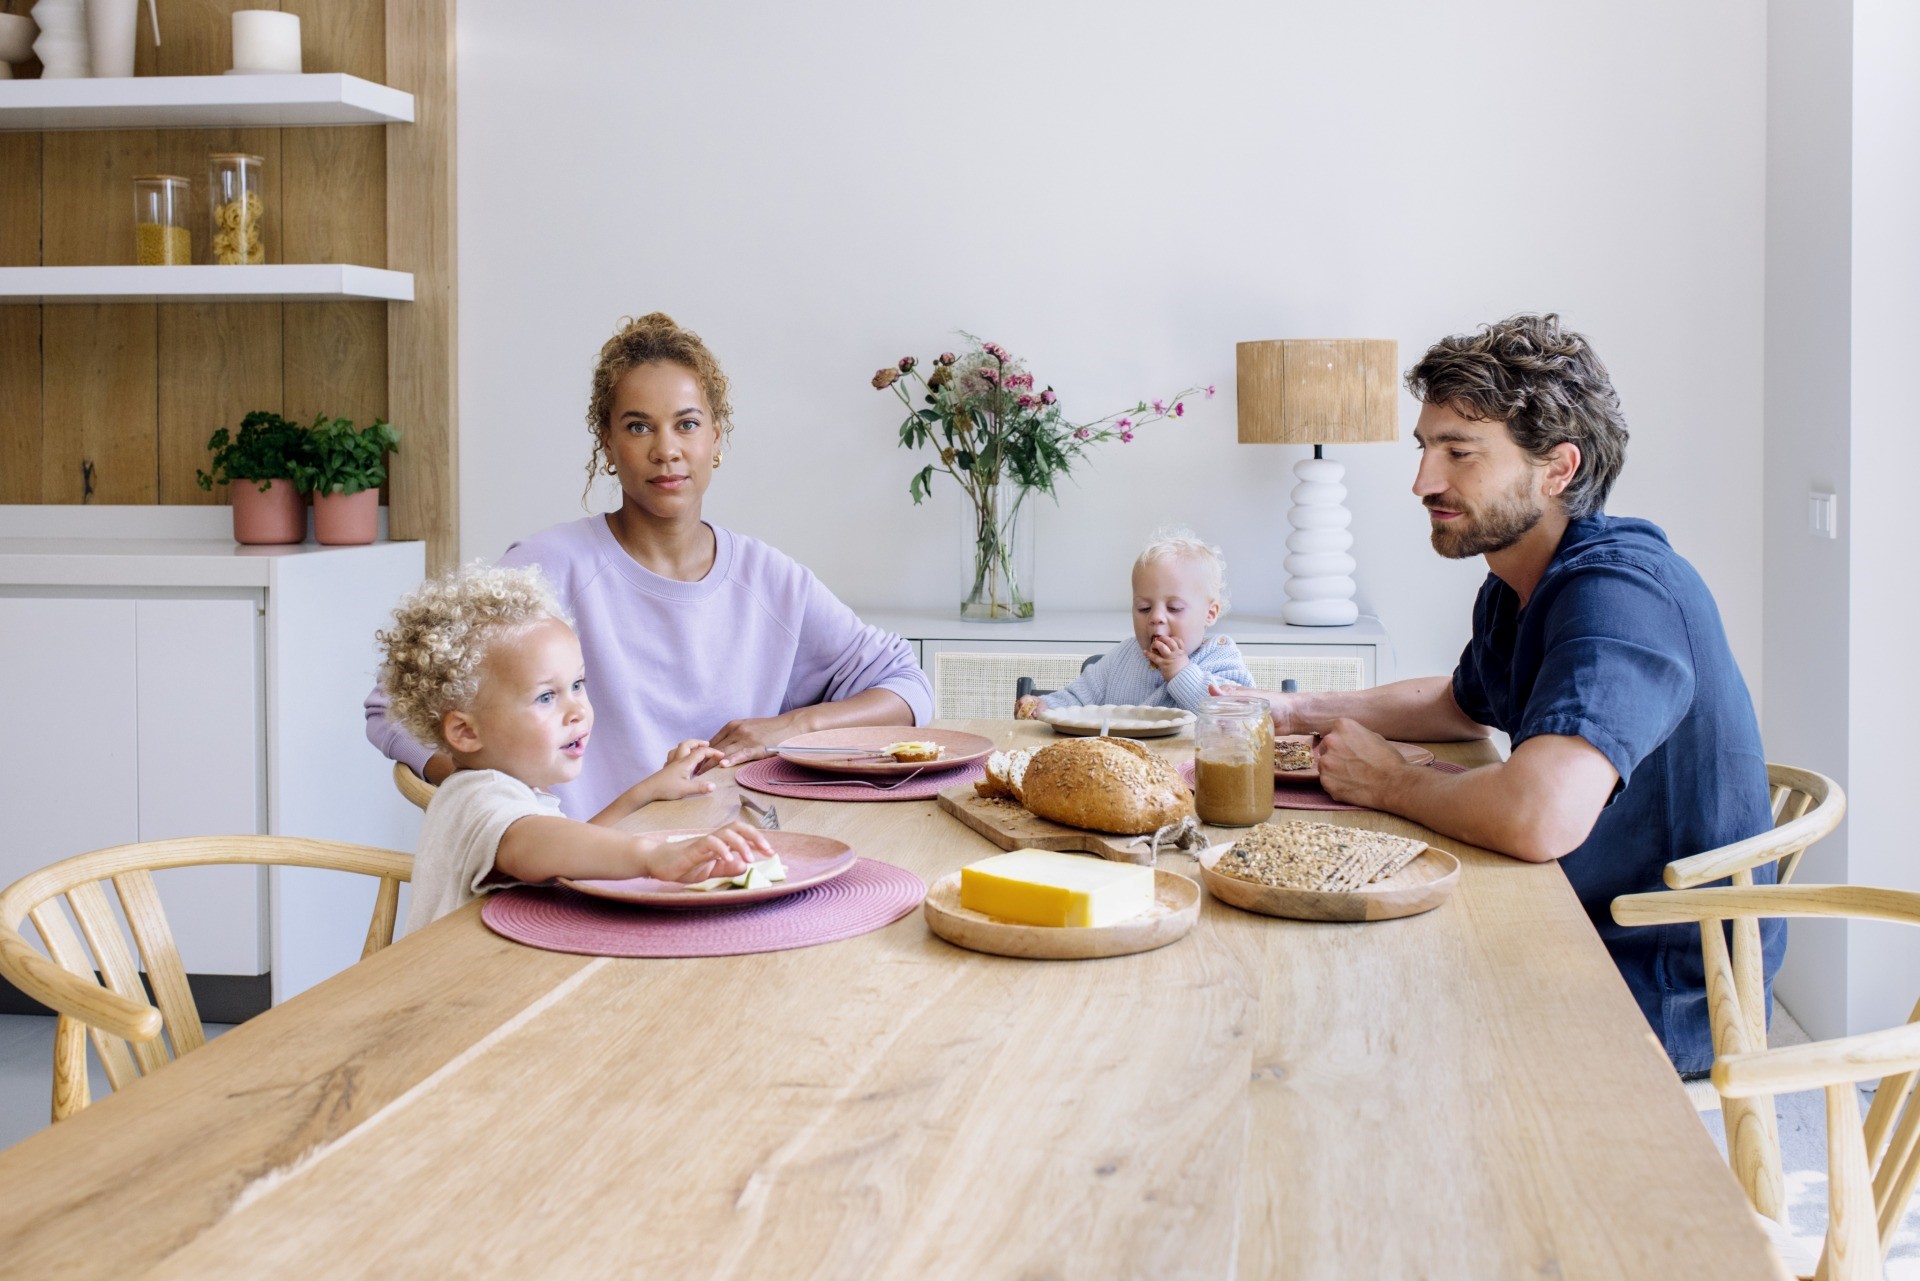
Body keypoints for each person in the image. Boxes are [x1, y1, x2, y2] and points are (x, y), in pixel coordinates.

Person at [1219, 313, 1775, 1075]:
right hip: (1573, 914)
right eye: (1424, 448)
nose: (1423, 481)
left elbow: (1536, 814)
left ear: (1557, 468)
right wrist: (1290, 710)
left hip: (1650, 973)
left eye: (1459, 452)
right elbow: (1457, 703)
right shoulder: (1519, 580)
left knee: (1329, 1003)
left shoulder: (1618, 597)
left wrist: (1389, 780)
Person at [367, 312, 933, 819]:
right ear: (607, 445)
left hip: (726, 872)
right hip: (573, 876)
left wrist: (788, 728)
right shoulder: (547, 570)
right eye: (639, 427)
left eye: (686, 424)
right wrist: (496, 801)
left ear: (716, 438)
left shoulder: (771, 582)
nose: (666, 449)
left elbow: (907, 686)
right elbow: (392, 707)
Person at [375, 563, 774, 934]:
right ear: (465, 732)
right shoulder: (476, 798)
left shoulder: (510, 793)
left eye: (578, 685)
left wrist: (646, 791)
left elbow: (569, 849)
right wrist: (653, 857)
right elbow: (533, 842)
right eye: (547, 697)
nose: (577, 711)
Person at [1016, 525, 1253, 717]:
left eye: (1174, 608)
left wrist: (1180, 671)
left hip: (1193, 772)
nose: (1156, 617)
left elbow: (1236, 718)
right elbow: (1077, 700)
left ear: (1210, 614)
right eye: (1144, 607)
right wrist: (1043, 706)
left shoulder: (1221, 655)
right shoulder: (1122, 658)